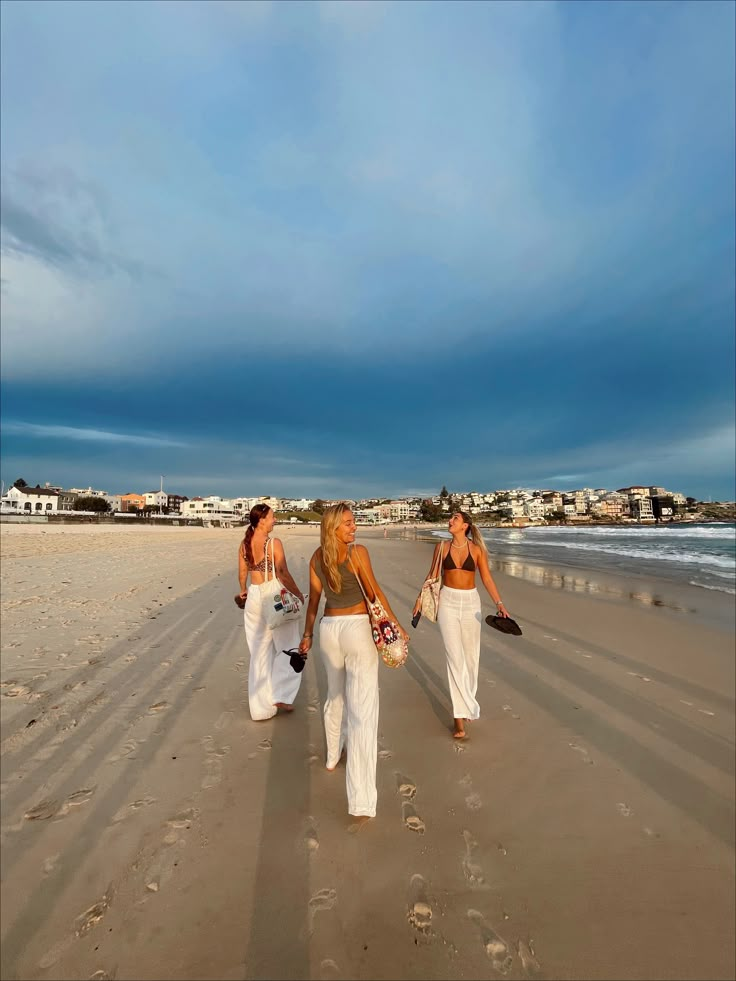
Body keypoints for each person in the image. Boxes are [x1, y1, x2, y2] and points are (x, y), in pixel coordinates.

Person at [299, 503, 409, 822]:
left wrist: (307, 635)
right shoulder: (358, 553)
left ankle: (333, 756)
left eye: (354, 522)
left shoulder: (317, 558)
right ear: (334, 527)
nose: (354, 527)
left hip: (330, 631)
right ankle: (360, 800)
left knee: (334, 696)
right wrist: (396, 625)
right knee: (363, 712)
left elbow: (313, 604)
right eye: (347, 523)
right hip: (358, 629)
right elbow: (374, 594)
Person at [413, 510, 510, 739]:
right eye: (451, 518)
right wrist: (419, 599)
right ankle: (459, 717)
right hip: (447, 601)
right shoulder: (441, 548)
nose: (450, 521)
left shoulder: (476, 550)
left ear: (465, 525)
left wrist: (499, 603)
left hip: (470, 604)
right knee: (454, 658)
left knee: (470, 656)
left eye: (455, 519)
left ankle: (468, 699)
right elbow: (431, 575)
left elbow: (486, 578)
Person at [237, 504, 305, 721]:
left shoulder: (244, 544)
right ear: (262, 520)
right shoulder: (273, 543)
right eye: (272, 517)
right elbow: (282, 573)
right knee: (289, 645)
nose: (275, 520)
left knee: (259, 652)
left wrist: (243, 591)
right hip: (273, 597)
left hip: (254, 596)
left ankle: (260, 709)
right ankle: (281, 695)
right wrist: (298, 595)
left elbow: (242, 573)